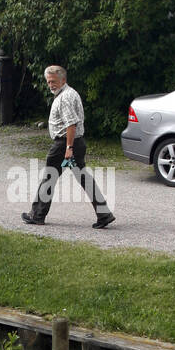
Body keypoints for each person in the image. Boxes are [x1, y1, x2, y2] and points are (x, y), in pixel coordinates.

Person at [21, 66, 115, 229]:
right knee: (83, 178)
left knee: (49, 178)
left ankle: (37, 215)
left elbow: (71, 124)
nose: (50, 84)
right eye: (48, 81)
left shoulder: (64, 97)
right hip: (76, 143)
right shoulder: (71, 93)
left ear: (63, 80)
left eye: (54, 81)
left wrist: (68, 148)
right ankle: (104, 214)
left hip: (64, 145)